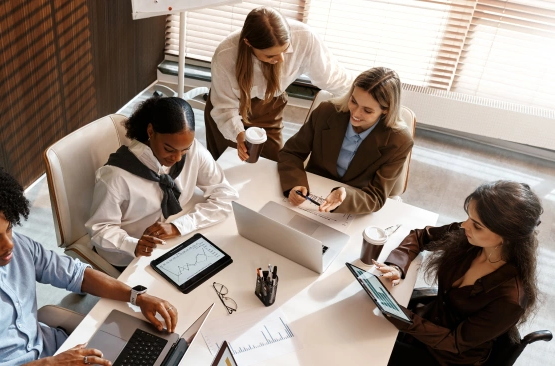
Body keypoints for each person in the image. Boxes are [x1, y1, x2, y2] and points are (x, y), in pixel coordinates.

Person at [0, 157, 178, 366]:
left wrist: (136, 296)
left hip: (56, 350)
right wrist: (50, 364)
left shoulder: (16, 246)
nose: (9, 244)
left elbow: (75, 274)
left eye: (8, 228)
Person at [375, 181, 542, 365]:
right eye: (469, 217)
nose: (464, 225)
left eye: (477, 225)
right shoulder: (469, 236)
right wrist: (397, 266)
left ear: (506, 237)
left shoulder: (511, 298)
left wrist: (399, 316)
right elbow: (422, 236)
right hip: (423, 323)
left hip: (446, 358)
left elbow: (454, 342)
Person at [85, 96, 239, 270]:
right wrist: (133, 245)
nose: (177, 158)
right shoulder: (115, 177)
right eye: (169, 149)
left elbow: (226, 194)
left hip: (173, 240)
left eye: (184, 149)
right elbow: (100, 229)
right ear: (151, 132)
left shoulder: (192, 150)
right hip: (128, 256)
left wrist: (178, 227)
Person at [205, 6, 354, 162]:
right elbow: (224, 107)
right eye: (271, 55)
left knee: (275, 163)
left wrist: (360, 98)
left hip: (269, 107)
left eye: (286, 49)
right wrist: (238, 135)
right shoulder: (225, 55)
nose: (282, 59)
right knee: (227, 163)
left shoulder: (305, 38)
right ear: (248, 43)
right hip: (228, 110)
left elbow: (333, 78)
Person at [278, 67, 413, 214]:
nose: (355, 113)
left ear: (386, 110)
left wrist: (346, 196)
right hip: (312, 190)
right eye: (353, 101)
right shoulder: (325, 112)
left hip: (355, 204)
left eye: (367, 110)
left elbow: (376, 196)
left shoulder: (399, 141)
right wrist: (295, 184)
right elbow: (291, 153)